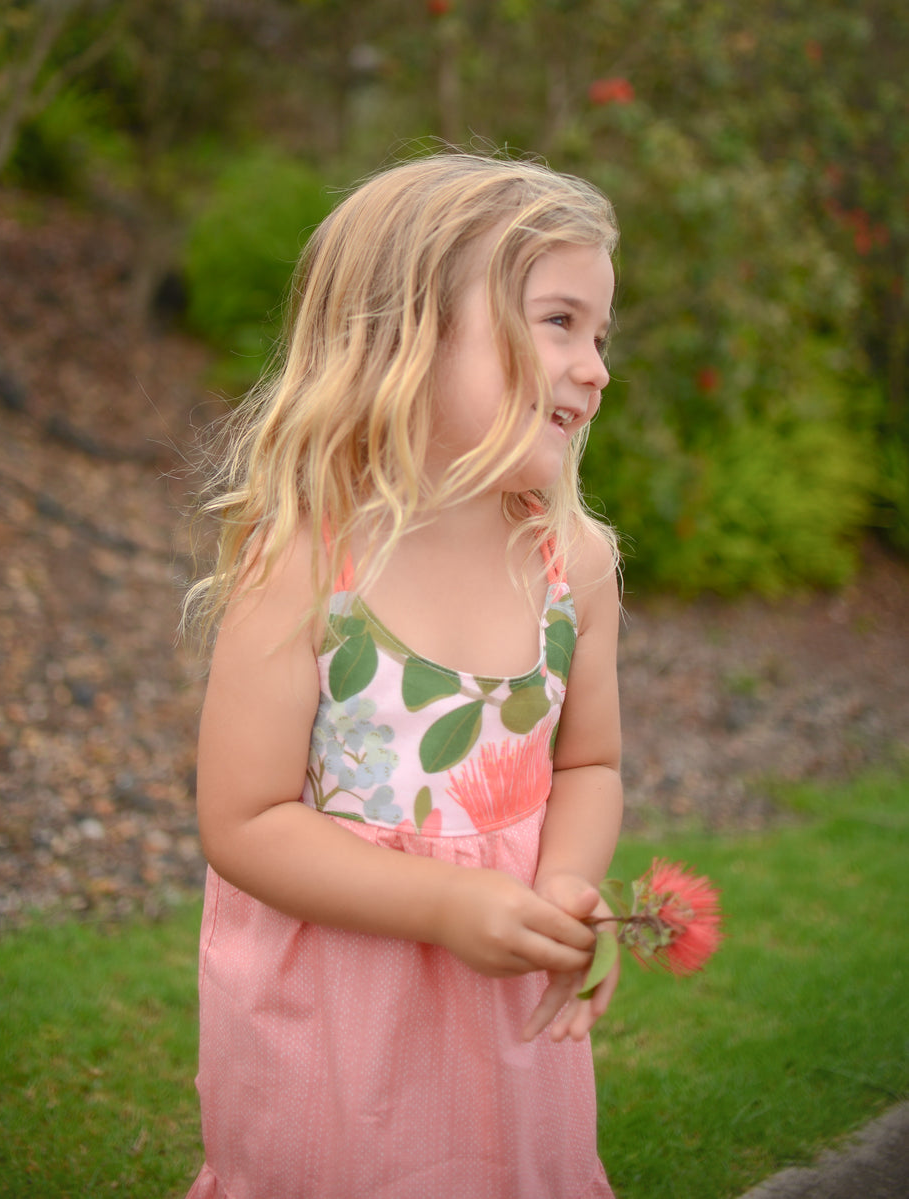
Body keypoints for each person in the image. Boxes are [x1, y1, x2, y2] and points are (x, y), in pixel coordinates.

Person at [184, 151, 623, 1199]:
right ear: (408, 333)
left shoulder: (574, 564)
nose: (596, 367)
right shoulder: (307, 562)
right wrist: (438, 904)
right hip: (337, 1026)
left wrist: (563, 882)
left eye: (601, 335)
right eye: (558, 321)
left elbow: (590, 762)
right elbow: (241, 820)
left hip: (504, 1010)